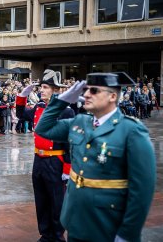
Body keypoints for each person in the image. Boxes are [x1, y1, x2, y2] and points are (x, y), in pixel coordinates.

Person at [35, 72, 156, 242]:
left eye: (93, 91)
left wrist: (127, 234)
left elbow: (142, 190)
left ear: (112, 96)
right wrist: (61, 101)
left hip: (107, 222)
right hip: (75, 219)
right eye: (85, 90)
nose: (85, 95)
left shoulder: (132, 131)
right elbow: (43, 129)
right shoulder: (79, 122)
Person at [22, 69, 74, 242]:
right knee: (41, 199)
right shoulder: (39, 107)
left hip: (56, 160)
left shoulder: (66, 111)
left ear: (55, 90)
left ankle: (58, 236)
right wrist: (22, 97)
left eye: (45, 87)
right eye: (41, 87)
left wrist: (67, 167)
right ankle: (46, 234)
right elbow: (22, 115)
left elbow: (69, 142)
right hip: (39, 159)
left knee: (57, 201)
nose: (41, 90)